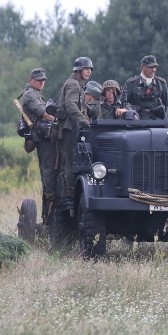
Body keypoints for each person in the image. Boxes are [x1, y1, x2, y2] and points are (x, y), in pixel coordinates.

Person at [19, 68, 57, 224]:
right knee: (49, 178)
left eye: (44, 80)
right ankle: (49, 218)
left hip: (45, 137)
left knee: (52, 175)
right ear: (31, 80)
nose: (42, 82)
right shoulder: (29, 95)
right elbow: (43, 114)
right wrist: (57, 120)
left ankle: (50, 215)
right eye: (39, 80)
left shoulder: (35, 94)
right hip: (42, 138)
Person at [56, 56, 93, 209]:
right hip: (69, 128)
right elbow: (71, 105)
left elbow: (80, 106)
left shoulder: (78, 84)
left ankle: (70, 195)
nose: (89, 72)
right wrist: (82, 119)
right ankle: (69, 196)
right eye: (86, 69)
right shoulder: (73, 84)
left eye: (90, 69)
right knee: (70, 163)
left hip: (72, 127)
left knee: (71, 163)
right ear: (78, 70)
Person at [121, 55, 168, 120]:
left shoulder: (161, 83)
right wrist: (132, 112)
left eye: (154, 67)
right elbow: (124, 103)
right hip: (136, 122)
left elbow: (167, 105)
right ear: (142, 67)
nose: (153, 70)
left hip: (157, 122)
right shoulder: (131, 83)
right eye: (150, 67)